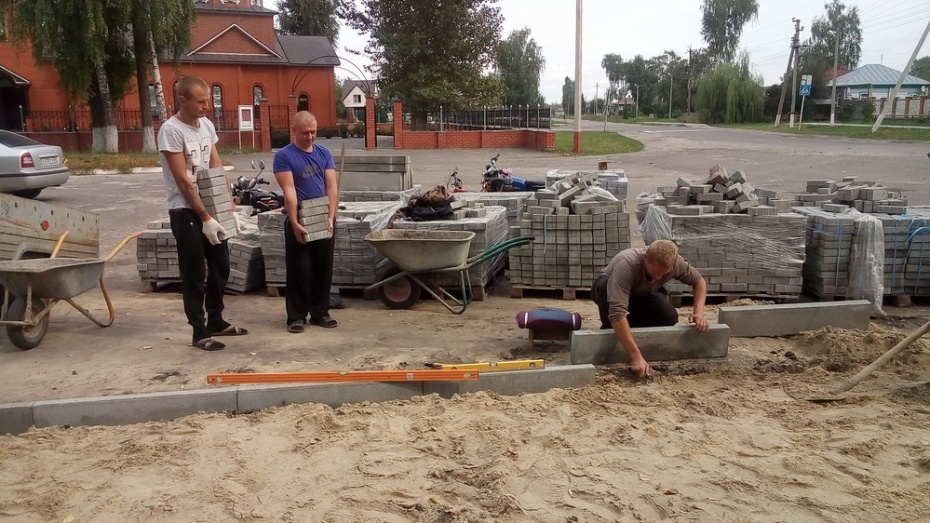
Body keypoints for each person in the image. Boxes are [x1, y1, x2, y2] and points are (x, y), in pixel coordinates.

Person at [158, 75, 248, 351]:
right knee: (194, 272)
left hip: (212, 207)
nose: (207, 107)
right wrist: (204, 217)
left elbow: (215, 165)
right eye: (201, 102)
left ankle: (216, 319)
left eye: (208, 100)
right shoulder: (171, 131)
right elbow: (183, 181)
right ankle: (199, 331)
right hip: (185, 212)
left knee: (221, 265)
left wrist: (228, 206)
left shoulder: (206, 125)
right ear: (182, 100)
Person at [590, 240, 708, 379]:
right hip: (608, 289)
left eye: (663, 274)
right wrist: (636, 356)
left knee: (668, 316)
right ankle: (613, 329)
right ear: (645, 257)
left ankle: (623, 329)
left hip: (640, 292)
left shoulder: (676, 262)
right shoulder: (627, 264)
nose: (658, 277)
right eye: (655, 272)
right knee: (612, 325)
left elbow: (699, 281)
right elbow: (617, 313)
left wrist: (698, 313)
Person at [273, 111, 339, 333]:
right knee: (300, 269)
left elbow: (331, 186)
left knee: (323, 268)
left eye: (313, 132)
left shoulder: (324, 153)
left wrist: (331, 217)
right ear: (294, 131)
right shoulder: (284, 156)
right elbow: (289, 189)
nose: (310, 137)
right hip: (300, 216)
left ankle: (320, 313)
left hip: (323, 216)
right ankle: (296, 316)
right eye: (305, 133)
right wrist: (293, 220)